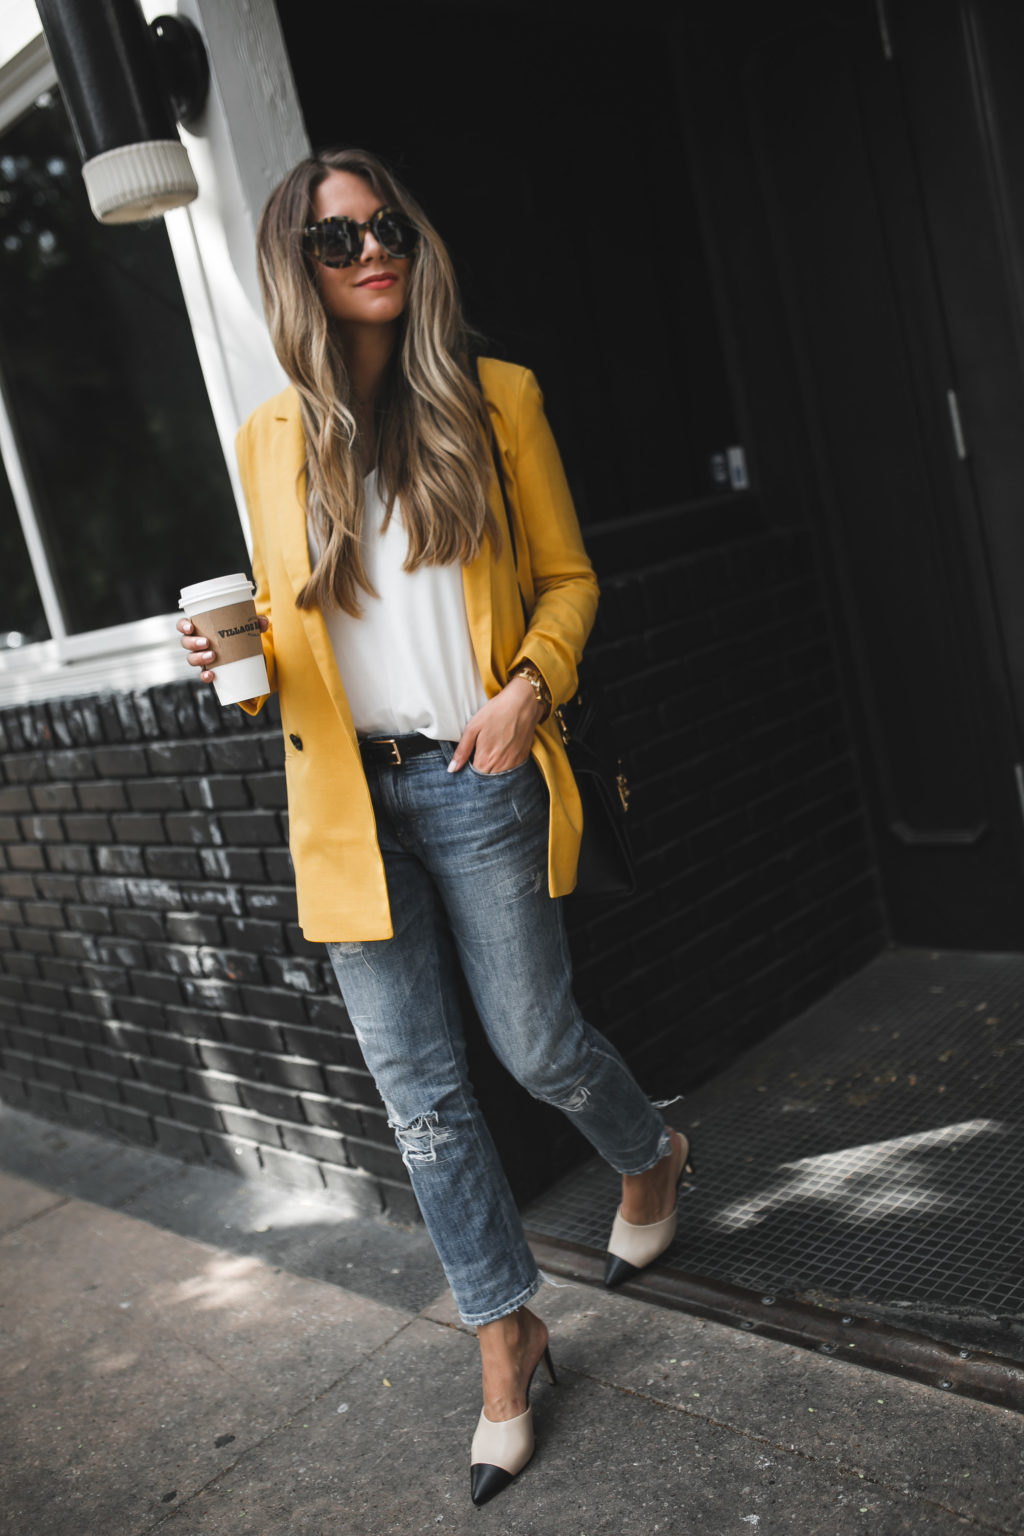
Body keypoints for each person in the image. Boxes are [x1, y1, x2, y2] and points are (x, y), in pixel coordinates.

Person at [178, 147, 691, 1506]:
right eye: (339, 241)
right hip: (351, 802)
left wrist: (528, 691)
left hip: (478, 772)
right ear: (297, 268)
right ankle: (505, 1335)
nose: (373, 254)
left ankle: (651, 1152)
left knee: (534, 1045)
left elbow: (572, 579)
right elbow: (296, 659)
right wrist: (228, 663)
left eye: (387, 228)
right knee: (422, 1106)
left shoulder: (495, 398)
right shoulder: (269, 442)